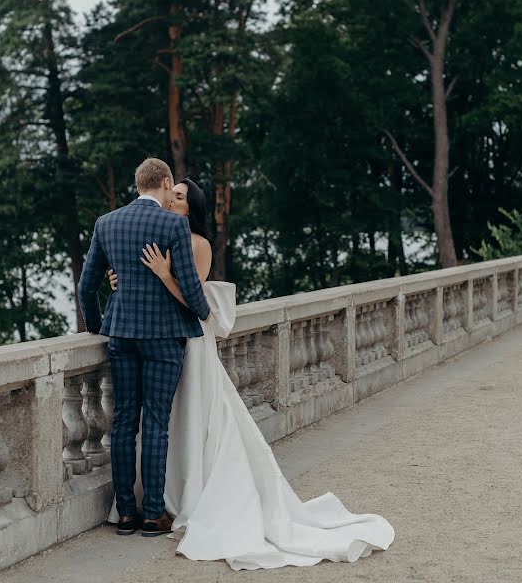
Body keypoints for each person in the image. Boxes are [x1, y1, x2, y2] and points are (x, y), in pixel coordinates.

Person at [105, 176, 395, 570]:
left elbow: (195, 303)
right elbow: (133, 284)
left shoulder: (198, 245)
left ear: (191, 208)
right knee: (164, 421)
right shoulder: (161, 233)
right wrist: (119, 281)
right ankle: (162, 500)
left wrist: (164, 275)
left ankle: (184, 499)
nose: (172, 200)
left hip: (188, 339)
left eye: (179, 197)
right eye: (171, 194)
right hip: (162, 339)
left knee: (185, 419)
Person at [77, 158, 211, 537]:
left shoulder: (107, 223)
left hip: (121, 336)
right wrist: (201, 309)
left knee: (122, 423)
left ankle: (126, 515)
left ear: (138, 184)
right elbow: (194, 297)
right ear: (166, 182)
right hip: (164, 338)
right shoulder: (174, 224)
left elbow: (87, 288)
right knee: (155, 423)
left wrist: (101, 327)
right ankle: (153, 515)